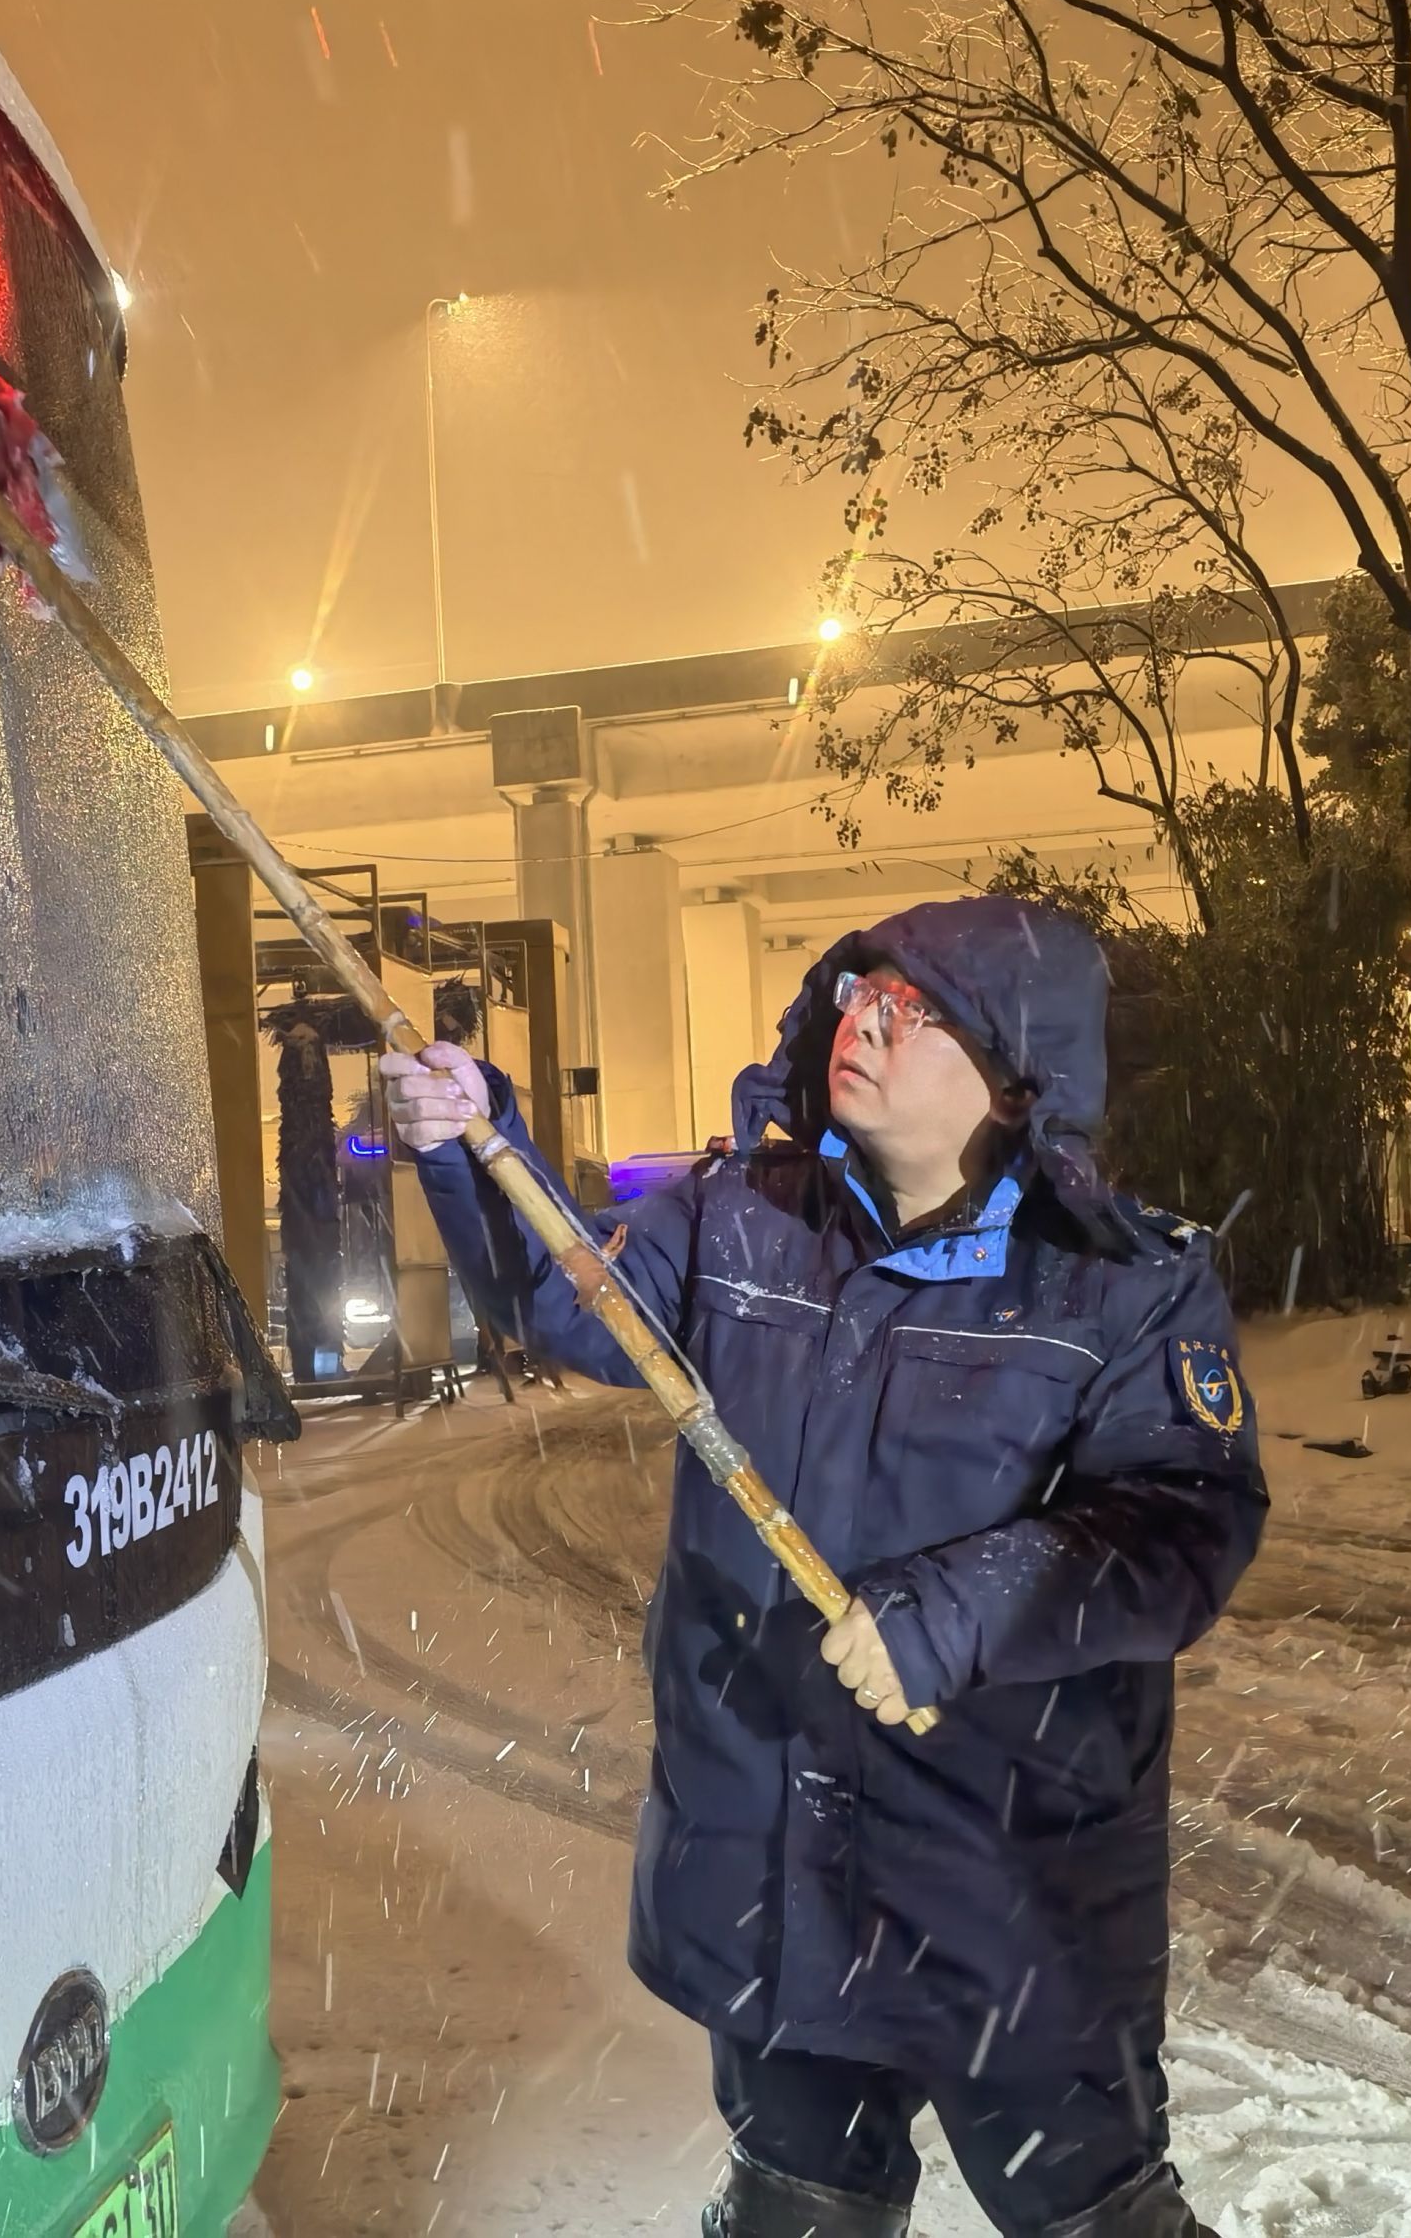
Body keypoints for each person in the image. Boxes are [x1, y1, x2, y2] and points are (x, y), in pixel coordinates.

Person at [379, 894, 1264, 2238]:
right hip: (779, 1864)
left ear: (1016, 1082)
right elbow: (565, 1295)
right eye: (863, 993)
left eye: (916, 1014)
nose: (868, 1022)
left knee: (1098, 2213)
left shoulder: (1122, 1291)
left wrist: (946, 1615)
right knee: (803, 2203)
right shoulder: (743, 1221)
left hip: (1005, 1892)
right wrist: (476, 1137)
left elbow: (1180, 1528)